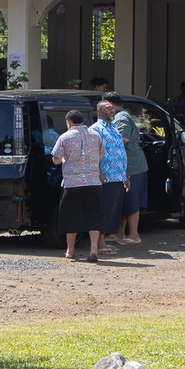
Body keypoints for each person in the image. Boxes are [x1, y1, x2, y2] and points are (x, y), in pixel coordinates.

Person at [51, 109, 105, 261]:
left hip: (72, 183)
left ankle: (70, 250)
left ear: (68, 122)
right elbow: (101, 156)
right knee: (94, 215)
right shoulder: (96, 135)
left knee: (70, 217)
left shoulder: (65, 137)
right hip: (93, 182)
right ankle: (94, 249)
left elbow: (56, 158)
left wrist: (63, 160)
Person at [106, 91, 147, 245]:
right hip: (125, 164)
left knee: (131, 200)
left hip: (132, 165)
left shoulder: (121, 117)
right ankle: (119, 233)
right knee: (123, 199)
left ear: (110, 104)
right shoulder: (118, 116)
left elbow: (123, 139)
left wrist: (101, 145)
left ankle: (134, 234)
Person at [90, 98, 130, 253]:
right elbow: (93, 154)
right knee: (104, 210)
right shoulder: (95, 129)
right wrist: (98, 172)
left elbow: (120, 152)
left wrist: (126, 176)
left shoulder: (113, 129)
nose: (112, 110)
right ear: (99, 111)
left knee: (113, 211)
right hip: (105, 177)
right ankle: (99, 244)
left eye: (112, 108)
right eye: (107, 108)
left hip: (118, 177)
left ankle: (104, 241)